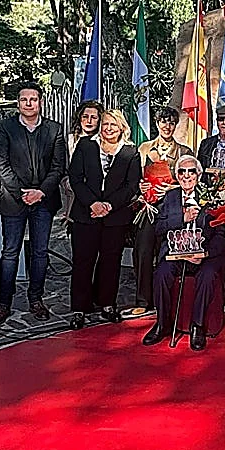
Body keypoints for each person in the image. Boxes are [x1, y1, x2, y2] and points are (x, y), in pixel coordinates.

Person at [0, 81, 67, 323]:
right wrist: (22, 192)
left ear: (40, 102)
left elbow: (58, 167)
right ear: (18, 103)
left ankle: (36, 298)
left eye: (33, 99)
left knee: (40, 252)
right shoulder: (5, 127)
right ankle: (4, 303)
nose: (29, 103)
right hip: (14, 201)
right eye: (24, 99)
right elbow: (0, 163)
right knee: (10, 252)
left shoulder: (54, 129)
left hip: (44, 201)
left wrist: (40, 192)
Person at [143, 155, 225, 350]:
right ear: (177, 175)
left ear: (199, 175)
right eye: (182, 171)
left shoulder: (211, 196)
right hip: (176, 254)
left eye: (191, 171)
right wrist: (182, 218)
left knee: (208, 275)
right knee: (162, 273)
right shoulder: (170, 197)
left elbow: (221, 235)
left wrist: (204, 253)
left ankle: (197, 325)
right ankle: (162, 323)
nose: (187, 175)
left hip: (204, 255)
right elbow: (158, 228)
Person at [67, 109, 141, 328]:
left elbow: (131, 185)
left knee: (110, 262)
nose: (109, 128)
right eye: (106, 123)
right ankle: (80, 308)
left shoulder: (130, 152)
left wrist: (108, 205)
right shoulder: (85, 145)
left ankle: (107, 303)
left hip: (115, 217)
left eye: (113, 125)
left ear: (122, 128)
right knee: (83, 261)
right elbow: (76, 178)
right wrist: (93, 204)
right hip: (86, 214)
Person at [131, 106, 192, 316]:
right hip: (148, 207)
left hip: (173, 207)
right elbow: (134, 177)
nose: (167, 126)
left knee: (168, 252)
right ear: (156, 124)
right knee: (143, 250)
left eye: (171, 122)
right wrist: (140, 187)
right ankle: (143, 299)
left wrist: (174, 187)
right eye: (163, 121)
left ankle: (167, 298)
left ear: (175, 125)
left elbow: (192, 180)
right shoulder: (143, 149)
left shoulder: (184, 151)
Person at [60, 100, 102, 220]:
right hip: (74, 197)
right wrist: (67, 182)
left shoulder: (105, 141)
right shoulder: (70, 140)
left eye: (93, 117)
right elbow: (61, 168)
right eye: (85, 116)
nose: (89, 121)